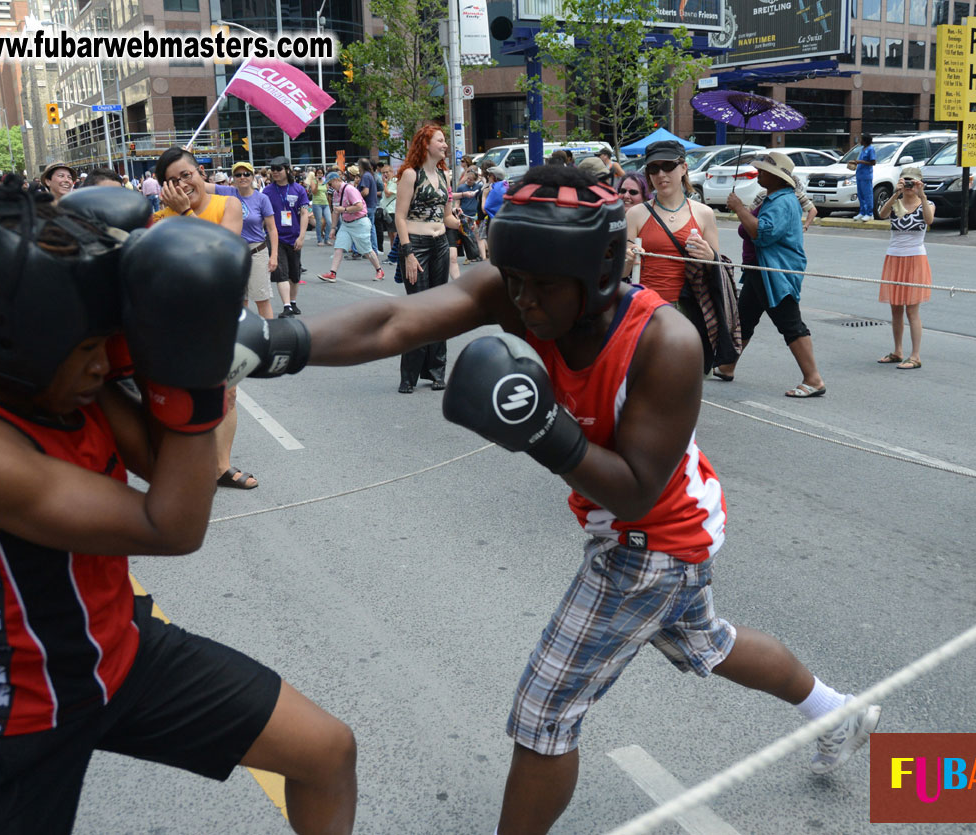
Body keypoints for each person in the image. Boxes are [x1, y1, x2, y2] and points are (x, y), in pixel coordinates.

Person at [229, 164, 880, 835]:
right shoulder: (517, 286)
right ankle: (836, 709)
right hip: (649, 526)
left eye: (541, 286)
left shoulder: (665, 342)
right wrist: (280, 346)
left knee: (544, 713)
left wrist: (541, 429)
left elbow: (634, 490)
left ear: (596, 271)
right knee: (707, 642)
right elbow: (396, 321)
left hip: (650, 537)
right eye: (513, 280)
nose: (524, 300)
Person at [0, 179, 356, 834]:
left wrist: (147, 335)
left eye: (101, 346)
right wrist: (192, 364)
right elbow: (172, 522)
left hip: (117, 650)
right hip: (11, 713)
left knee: (325, 750)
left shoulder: (50, 378)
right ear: (15, 339)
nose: (99, 368)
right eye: (87, 349)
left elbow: (163, 458)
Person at [151, 148, 258, 492]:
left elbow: (222, 253)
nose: (182, 184)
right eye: (172, 180)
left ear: (200, 172)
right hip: (178, 322)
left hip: (222, 316)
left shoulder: (227, 205)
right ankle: (184, 466)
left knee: (227, 394)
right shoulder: (158, 221)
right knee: (182, 397)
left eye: (186, 175)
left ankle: (220, 467)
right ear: (163, 187)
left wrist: (185, 213)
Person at [722, 151, 826, 397]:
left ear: (778, 177)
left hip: (776, 274)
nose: (760, 173)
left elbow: (763, 234)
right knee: (744, 319)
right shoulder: (772, 198)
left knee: (790, 323)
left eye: (764, 170)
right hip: (760, 272)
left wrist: (738, 208)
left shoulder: (782, 201)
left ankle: (814, 379)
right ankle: (727, 365)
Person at [392, 124, 456, 394]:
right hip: (416, 245)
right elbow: (399, 217)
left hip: (440, 242)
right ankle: (409, 376)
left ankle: (436, 371)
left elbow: (447, 216)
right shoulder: (410, 174)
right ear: (426, 144)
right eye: (440, 141)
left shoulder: (444, 175)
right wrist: (408, 253)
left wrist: (461, 222)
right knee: (418, 311)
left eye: (445, 141)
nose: (445, 145)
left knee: (438, 310)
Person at [623, 139, 719, 310]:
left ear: (684, 168)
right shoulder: (635, 214)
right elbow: (622, 273)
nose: (661, 174)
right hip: (646, 307)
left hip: (690, 308)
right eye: (654, 168)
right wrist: (628, 260)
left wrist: (710, 256)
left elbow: (717, 272)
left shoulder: (704, 214)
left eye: (668, 166)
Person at [873, 166, 934, 370]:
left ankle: (915, 355)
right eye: (906, 181)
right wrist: (895, 193)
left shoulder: (927, 203)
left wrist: (922, 195)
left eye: (913, 182)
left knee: (912, 311)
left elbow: (929, 220)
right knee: (896, 309)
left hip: (915, 258)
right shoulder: (895, 203)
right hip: (894, 257)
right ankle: (898, 351)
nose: (909, 185)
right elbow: (881, 214)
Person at [218, 160, 279, 321]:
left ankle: (268, 337)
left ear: (253, 176)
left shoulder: (262, 198)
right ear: (233, 178)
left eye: (246, 174)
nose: (242, 177)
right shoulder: (228, 193)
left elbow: (272, 229)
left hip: (257, 252)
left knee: (261, 299)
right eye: (238, 174)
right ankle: (244, 338)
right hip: (235, 254)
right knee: (240, 301)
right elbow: (203, 186)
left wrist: (274, 256)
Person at [318, 170, 387, 283]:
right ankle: (332, 273)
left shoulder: (350, 190)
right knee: (339, 246)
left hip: (359, 222)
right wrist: (333, 228)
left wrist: (344, 209)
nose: (329, 187)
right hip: (346, 223)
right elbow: (335, 212)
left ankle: (379, 270)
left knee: (366, 250)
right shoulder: (336, 193)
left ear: (336, 180)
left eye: (330, 184)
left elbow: (359, 206)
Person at [263, 156, 310, 318]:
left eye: (279, 169)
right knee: (281, 272)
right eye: (273, 169)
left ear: (287, 170)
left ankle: (293, 302)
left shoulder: (298, 189)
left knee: (294, 274)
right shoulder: (267, 191)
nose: (275, 172)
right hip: (276, 238)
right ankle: (286, 305)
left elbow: (304, 213)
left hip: (294, 236)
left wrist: (302, 236)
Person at [453, 166, 483, 263]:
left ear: (475, 180)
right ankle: (470, 256)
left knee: (476, 235)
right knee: (467, 236)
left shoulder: (478, 187)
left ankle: (480, 255)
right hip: (465, 214)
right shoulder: (461, 187)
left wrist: (482, 178)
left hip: (475, 214)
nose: (469, 181)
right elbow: (457, 201)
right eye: (468, 179)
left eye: (471, 179)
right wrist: (457, 210)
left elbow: (485, 187)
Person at [852, 133, 876, 221]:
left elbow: (873, 162)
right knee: (860, 195)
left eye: (861, 139)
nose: (860, 141)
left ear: (865, 141)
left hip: (866, 175)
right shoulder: (863, 149)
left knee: (867, 195)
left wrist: (861, 162)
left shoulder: (871, 149)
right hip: (860, 175)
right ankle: (862, 212)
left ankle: (869, 213)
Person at [308, 167, 332, 246]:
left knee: (329, 221)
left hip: (325, 204)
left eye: (321, 173)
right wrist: (317, 183)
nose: (320, 174)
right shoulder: (313, 181)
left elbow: (327, 193)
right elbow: (314, 192)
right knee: (319, 222)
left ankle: (326, 238)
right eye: (318, 173)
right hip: (317, 203)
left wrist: (329, 204)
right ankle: (319, 240)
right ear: (316, 174)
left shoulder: (325, 182)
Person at [378, 162, 398, 259]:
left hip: (393, 210)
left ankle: (395, 255)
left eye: (387, 172)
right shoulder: (388, 182)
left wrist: (384, 184)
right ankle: (392, 255)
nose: (385, 174)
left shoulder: (394, 182)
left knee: (394, 234)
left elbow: (388, 194)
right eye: (383, 173)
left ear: (392, 172)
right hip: (387, 211)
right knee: (390, 234)